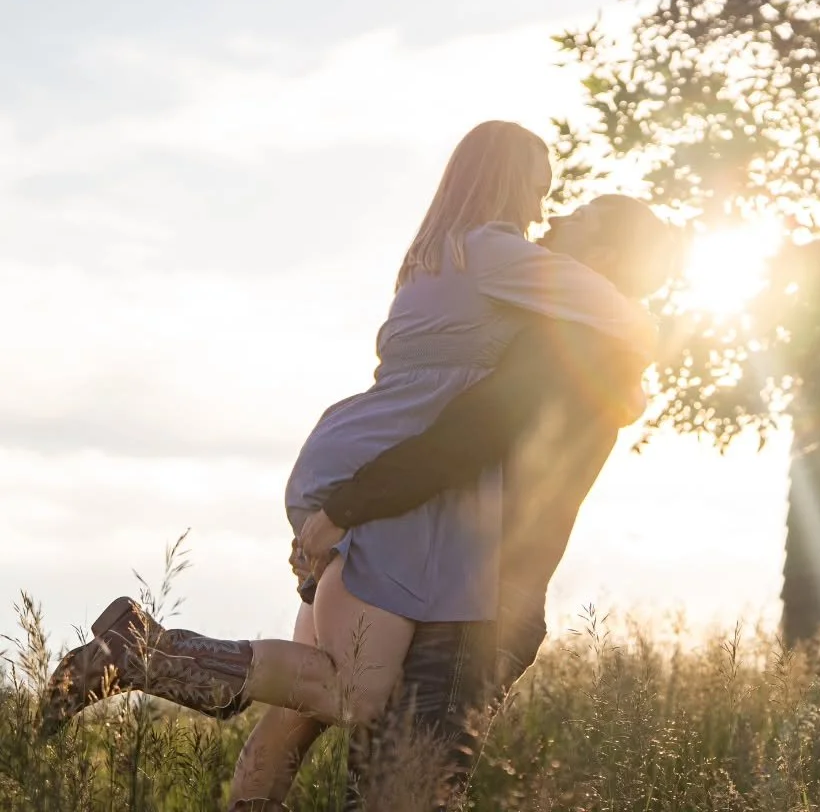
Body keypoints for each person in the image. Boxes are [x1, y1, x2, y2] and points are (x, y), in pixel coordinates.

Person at [41, 123, 668, 768]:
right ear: (509, 182)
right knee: (354, 691)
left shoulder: (436, 253)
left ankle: (149, 662)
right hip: (390, 474)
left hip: (355, 448)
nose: (546, 208)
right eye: (540, 189)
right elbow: (628, 320)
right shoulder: (498, 255)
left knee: (317, 687)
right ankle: (143, 652)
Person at [230, 314, 649, 810]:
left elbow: (455, 443)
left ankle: (155, 654)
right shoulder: (538, 329)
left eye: (567, 230)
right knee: (386, 780)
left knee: (315, 719)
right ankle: (155, 653)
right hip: (431, 578)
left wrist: (337, 515)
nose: (548, 231)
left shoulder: (561, 338)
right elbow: (449, 444)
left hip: (445, 581)